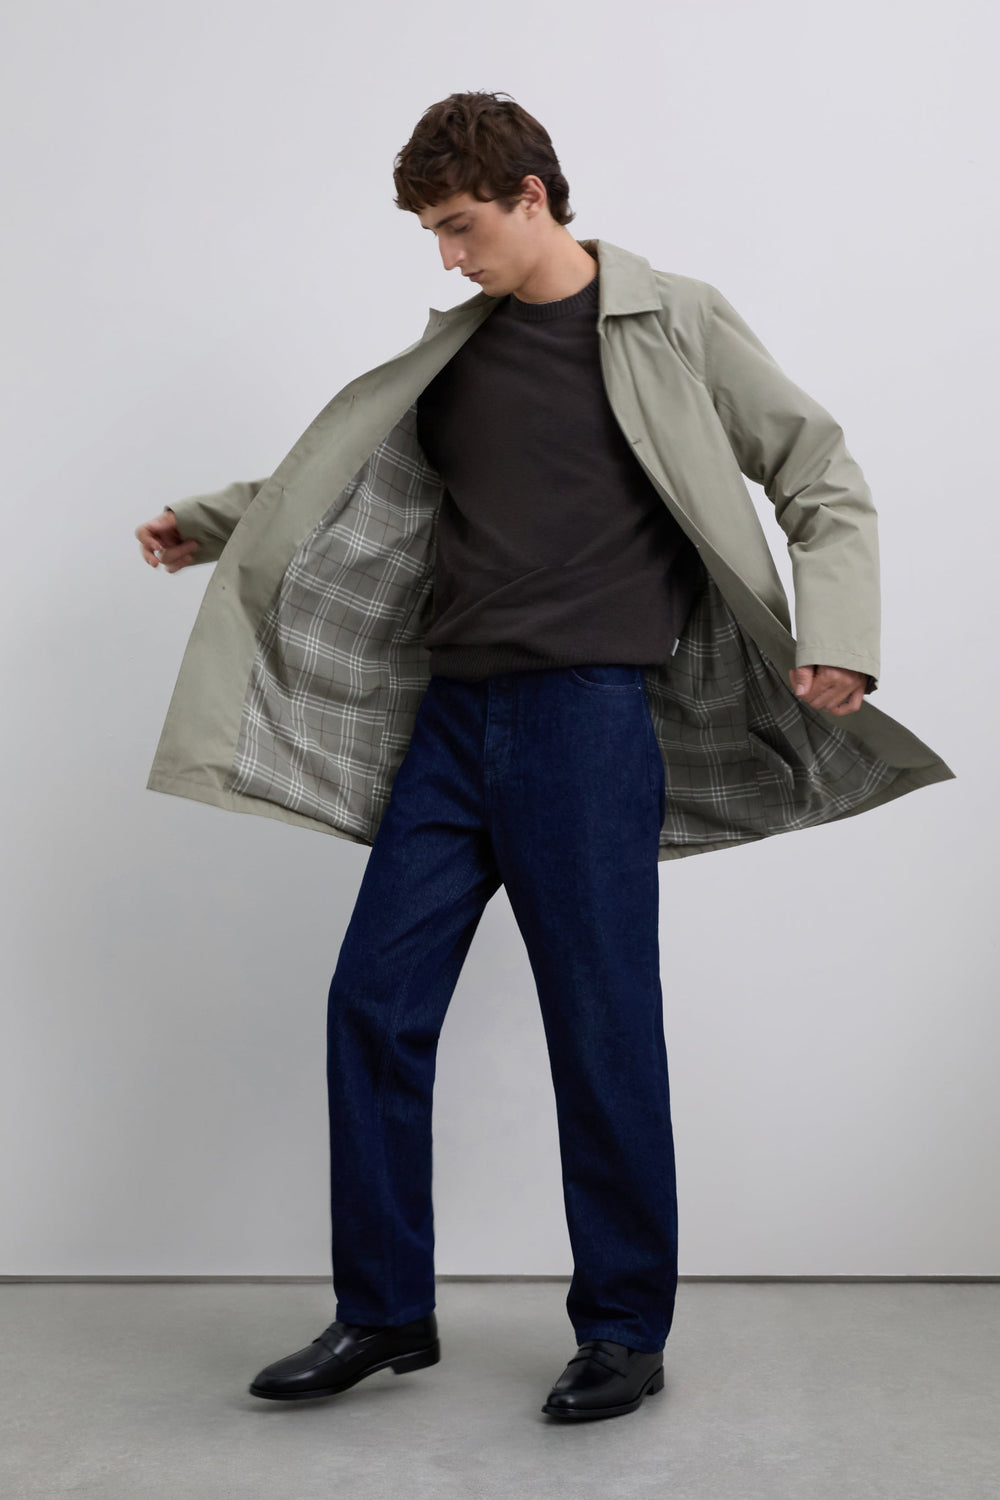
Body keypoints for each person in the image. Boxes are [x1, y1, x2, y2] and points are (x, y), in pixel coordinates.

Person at [135, 91, 954, 1423]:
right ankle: (384, 1311)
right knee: (373, 1003)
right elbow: (331, 476)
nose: (446, 256)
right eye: (430, 233)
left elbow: (818, 471)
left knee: (601, 1021)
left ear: (532, 197)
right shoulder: (456, 354)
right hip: (452, 724)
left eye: (461, 225)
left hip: (586, 720)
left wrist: (841, 635)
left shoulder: (670, 319)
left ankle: (624, 1329)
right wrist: (209, 520)